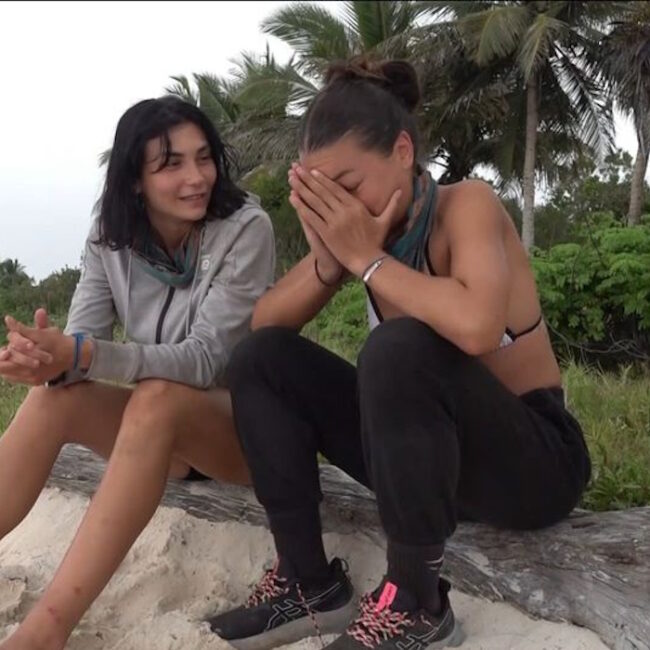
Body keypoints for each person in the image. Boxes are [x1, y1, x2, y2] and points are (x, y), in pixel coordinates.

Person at [208, 59, 592, 650]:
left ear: (403, 153)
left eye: (349, 185)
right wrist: (330, 261)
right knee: (262, 359)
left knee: (396, 347)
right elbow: (264, 325)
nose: (342, 209)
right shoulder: (365, 241)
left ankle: (415, 602)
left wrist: (366, 259)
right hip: (429, 466)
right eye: (324, 195)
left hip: (535, 463)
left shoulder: (467, 205)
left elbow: (477, 328)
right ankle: (307, 581)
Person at [0, 95, 275, 649]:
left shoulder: (245, 227)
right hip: (160, 441)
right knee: (55, 400)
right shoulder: (110, 233)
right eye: (172, 164)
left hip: (244, 433)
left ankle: (45, 632)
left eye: (204, 157)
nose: (196, 177)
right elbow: (83, 341)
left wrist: (83, 355)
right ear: (134, 181)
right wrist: (46, 361)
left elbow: (206, 360)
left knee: (158, 397)